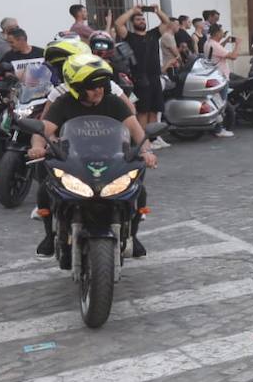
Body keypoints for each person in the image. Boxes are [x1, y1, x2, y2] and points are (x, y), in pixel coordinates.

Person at [29, 54, 157, 256]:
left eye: (101, 84)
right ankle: (49, 234)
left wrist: (146, 151)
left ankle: (132, 234)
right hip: (74, 158)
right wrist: (37, 146)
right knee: (45, 188)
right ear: (77, 88)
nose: (98, 90)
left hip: (112, 157)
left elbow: (136, 130)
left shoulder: (114, 102)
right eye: (92, 86)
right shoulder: (63, 103)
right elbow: (43, 130)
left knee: (138, 189)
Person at [115, 5, 171, 135]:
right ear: (133, 23)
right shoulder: (130, 37)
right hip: (140, 79)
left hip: (155, 77)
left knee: (155, 109)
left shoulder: (153, 34)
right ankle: (142, 139)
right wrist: (132, 11)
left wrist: (157, 11)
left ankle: (153, 138)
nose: (142, 21)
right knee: (143, 110)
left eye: (143, 19)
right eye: (138, 19)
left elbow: (166, 22)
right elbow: (118, 24)